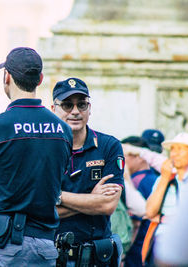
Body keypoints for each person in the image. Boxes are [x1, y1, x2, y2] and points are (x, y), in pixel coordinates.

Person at [0, 47, 73, 266]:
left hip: (1, 242)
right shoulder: (62, 129)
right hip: (43, 241)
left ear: (7, 77)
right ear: (39, 79)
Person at [51, 77, 124, 267]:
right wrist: (91, 199)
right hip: (53, 256)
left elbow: (107, 205)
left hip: (96, 257)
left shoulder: (109, 146)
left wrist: (57, 196)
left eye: (81, 105)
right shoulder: (43, 149)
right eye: (67, 105)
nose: (75, 112)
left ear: (89, 109)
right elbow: (38, 210)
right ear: (53, 109)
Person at [145, 132, 188, 263]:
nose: (174, 154)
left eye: (180, 149)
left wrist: (167, 218)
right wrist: (164, 178)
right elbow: (149, 212)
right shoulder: (163, 179)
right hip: (162, 243)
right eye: (173, 149)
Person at [121, 136, 158, 267]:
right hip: (150, 247)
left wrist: (123, 255)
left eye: (125, 155)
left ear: (139, 156)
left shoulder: (137, 181)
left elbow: (136, 221)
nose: (121, 159)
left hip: (137, 247)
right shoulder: (155, 178)